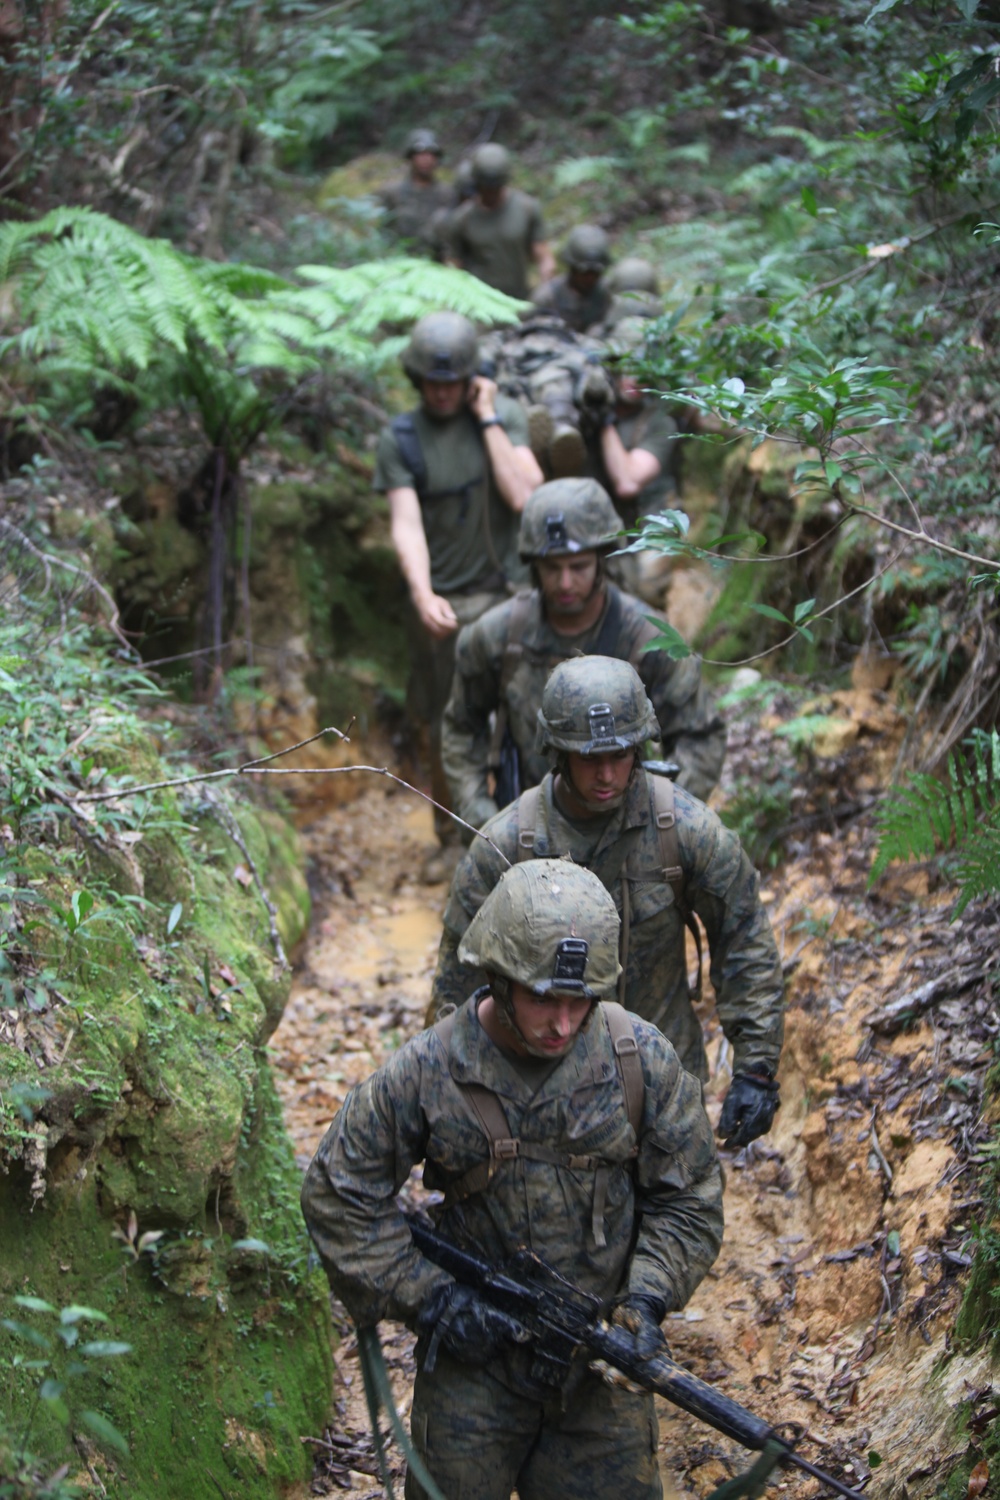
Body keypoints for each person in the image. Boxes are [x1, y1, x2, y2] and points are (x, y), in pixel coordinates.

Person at [301, 860, 724, 1500]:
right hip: (475, 1368)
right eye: (542, 998)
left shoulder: (639, 1060)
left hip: (596, 1371)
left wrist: (646, 1298)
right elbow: (339, 1190)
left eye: (578, 1000)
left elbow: (688, 1199)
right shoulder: (432, 1067)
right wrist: (432, 1298)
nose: (561, 1022)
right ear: (499, 980)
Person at [430, 657, 784, 1123]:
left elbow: (744, 938)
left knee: (685, 1196)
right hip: (540, 1097)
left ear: (639, 748)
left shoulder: (684, 830)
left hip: (659, 1083)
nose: (607, 775)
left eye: (619, 755)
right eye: (590, 758)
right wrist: (452, 1091)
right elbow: (459, 977)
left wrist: (756, 1069)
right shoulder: (508, 844)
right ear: (558, 752)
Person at [440, 477, 726, 832]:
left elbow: (701, 735)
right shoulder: (496, 638)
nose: (564, 583)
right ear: (533, 565)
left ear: (601, 561)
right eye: (551, 567)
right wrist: (483, 820)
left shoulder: (648, 639)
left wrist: (661, 819)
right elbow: (461, 729)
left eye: (578, 567)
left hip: (626, 832)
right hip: (529, 835)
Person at [375, 310, 544, 879]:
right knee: (450, 725)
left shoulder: (504, 418)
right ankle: (455, 838)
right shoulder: (400, 439)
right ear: (416, 380)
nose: (443, 392)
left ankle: (532, 833)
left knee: (527, 719)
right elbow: (406, 523)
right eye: (433, 382)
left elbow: (526, 496)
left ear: (474, 377)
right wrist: (421, 592)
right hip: (444, 604)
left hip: (511, 598)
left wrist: (489, 417)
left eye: (454, 381)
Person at [449, 143, 556, 299]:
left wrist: (546, 288)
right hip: (480, 303)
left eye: (496, 186)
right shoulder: (462, 219)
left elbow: (542, 255)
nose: (490, 192)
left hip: (519, 299)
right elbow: (454, 266)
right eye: (485, 186)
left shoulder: (527, 209)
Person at [531, 223, 614, 334]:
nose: (590, 278)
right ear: (572, 268)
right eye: (585, 273)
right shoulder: (546, 297)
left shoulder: (606, 293)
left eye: (595, 273)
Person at [380, 128, 452, 253]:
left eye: (430, 154)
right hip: (399, 259)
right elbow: (383, 233)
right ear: (411, 157)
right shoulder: (392, 193)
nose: (426, 159)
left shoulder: (448, 194)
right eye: (420, 154)